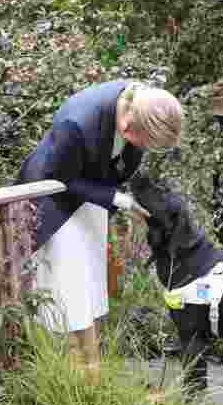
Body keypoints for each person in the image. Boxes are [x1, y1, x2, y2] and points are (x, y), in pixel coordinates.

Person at [18, 81, 183, 375]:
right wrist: (119, 200)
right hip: (54, 200)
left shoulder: (144, 105)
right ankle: (74, 379)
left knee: (91, 288)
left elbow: (118, 165)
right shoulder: (77, 122)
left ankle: (92, 372)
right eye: (141, 137)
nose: (140, 144)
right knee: (69, 293)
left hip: (90, 196)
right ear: (131, 117)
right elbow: (59, 179)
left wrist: (122, 203)